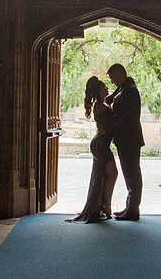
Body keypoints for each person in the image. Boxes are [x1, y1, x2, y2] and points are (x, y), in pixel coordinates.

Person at [66, 76, 119, 223]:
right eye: (104, 87)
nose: (107, 88)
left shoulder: (101, 103)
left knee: (103, 175)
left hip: (102, 144)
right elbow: (112, 121)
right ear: (99, 90)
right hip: (100, 145)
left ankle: (102, 207)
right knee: (113, 173)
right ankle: (106, 208)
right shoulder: (100, 105)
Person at [105, 63, 143, 220]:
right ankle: (130, 207)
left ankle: (133, 210)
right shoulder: (123, 89)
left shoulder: (130, 91)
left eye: (113, 78)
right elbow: (108, 100)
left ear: (120, 75)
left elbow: (127, 117)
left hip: (129, 139)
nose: (112, 82)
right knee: (129, 174)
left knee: (132, 174)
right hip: (125, 139)